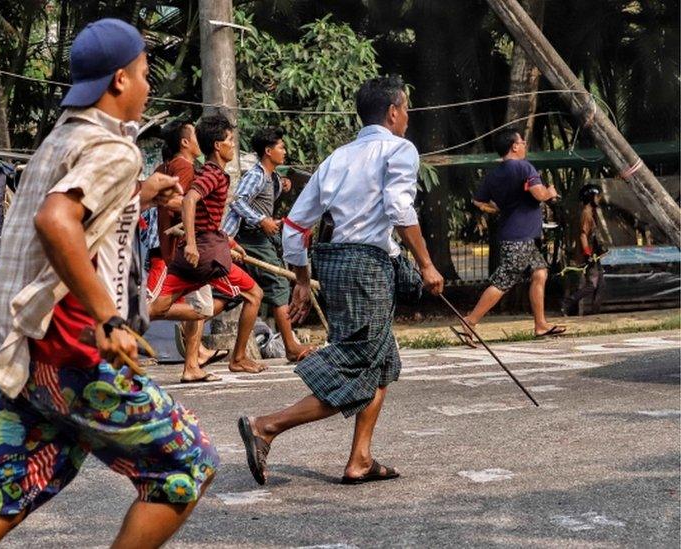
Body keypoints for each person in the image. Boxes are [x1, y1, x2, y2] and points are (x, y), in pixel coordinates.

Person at [0, 19, 217, 548]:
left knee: (6, 496)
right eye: (143, 73)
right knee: (188, 463)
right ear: (119, 80)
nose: (147, 86)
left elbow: (79, 211)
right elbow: (57, 221)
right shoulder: (116, 150)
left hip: (27, 343)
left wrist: (138, 195)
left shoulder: (65, 135)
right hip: (71, 345)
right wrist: (108, 317)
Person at [237, 75, 444, 485]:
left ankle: (360, 460)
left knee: (382, 365)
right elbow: (399, 206)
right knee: (356, 366)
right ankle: (266, 427)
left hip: (336, 264)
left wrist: (301, 278)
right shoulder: (400, 150)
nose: (408, 117)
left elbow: (295, 227)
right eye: (405, 109)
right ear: (392, 112)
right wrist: (426, 264)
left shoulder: (336, 158)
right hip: (368, 267)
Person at [148, 115, 267, 375]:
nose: (233, 146)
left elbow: (205, 215)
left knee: (160, 308)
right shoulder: (211, 173)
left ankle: (191, 365)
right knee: (253, 294)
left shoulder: (205, 171)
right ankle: (237, 358)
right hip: (204, 255)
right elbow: (189, 201)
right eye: (229, 140)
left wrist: (228, 240)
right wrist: (191, 243)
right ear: (216, 145)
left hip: (203, 249)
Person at [451, 129, 566, 346]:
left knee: (540, 273)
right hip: (520, 237)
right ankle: (470, 321)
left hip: (516, 234)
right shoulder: (524, 167)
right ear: (514, 146)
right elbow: (539, 195)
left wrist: (499, 209)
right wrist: (550, 192)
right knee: (504, 280)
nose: (524, 145)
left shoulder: (494, 174)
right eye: (522, 142)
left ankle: (540, 325)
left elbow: (478, 202)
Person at [221, 127, 314, 362]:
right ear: (268, 151)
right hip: (251, 238)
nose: (284, 151)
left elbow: (261, 199)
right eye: (281, 147)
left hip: (261, 239)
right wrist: (261, 220)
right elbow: (238, 202)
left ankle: (195, 319)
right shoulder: (256, 174)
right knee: (279, 285)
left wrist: (280, 187)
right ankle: (291, 345)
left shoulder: (270, 176)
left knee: (234, 292)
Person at [148, 119, 228, 383]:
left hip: (189, 246)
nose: (198, 140)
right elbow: (179, 202)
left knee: (201, 306)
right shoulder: (184, 167)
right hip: (184, 248)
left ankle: (192, 364)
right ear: (185, 142)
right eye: (194, 135)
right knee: (197, 308)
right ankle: (131, 312)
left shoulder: (175, 166)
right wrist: (194, 237)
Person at [562, 183, 605, 315]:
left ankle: (594, 310)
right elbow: (583, 235)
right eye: (597, 196)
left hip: (594, 254)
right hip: (589, 255)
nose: (599, 199)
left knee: (600, 282)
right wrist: (588, 254)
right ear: (591, 197)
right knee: (592, 285)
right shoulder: (586, 213)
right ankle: (568, 302)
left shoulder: (591, 213)